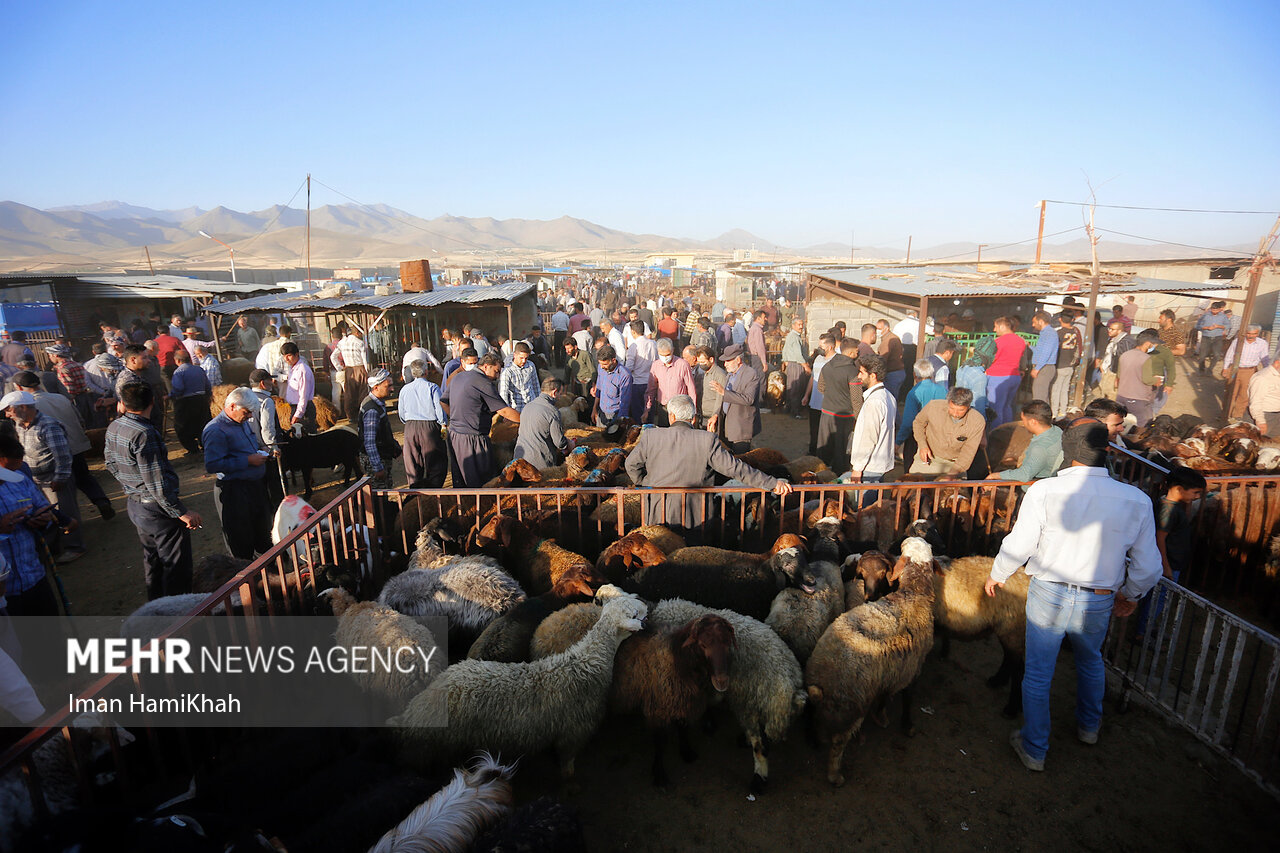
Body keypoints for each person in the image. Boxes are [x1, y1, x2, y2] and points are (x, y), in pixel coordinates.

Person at [985, 420, 1161, 771]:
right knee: (1090, 660)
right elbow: (1149, 566)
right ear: (1106, 452)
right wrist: (1131, 593)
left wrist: (998, 573)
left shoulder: (1044, 491)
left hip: (1049, 592)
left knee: (1037, 673)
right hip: (1098, 598)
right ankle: (1089, 728)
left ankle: (1035, 748)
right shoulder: (1136, 499)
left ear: (1067, 450)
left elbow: (1020, 544)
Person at [626, 394, 791, 535]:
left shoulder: (651, 436)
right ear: (693, 418)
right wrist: (772, 483)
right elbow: (736, 469)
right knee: (693, 559)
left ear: (671, 417)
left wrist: (646, 483)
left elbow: (631, 465)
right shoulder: (706, 440)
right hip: (695, 515)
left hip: (656, 510)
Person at [104, 384, 202, 600]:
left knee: (153, 562)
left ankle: (156, 608)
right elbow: (157, 482)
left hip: (137, 505)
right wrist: (180, 512)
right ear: (153, 402)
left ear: (124, 404)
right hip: (157, 510)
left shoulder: (115, 426)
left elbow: (110, 463)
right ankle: (178, 615)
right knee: (176, 567)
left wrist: (132, 484)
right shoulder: (145, 434)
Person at [13, 371, 114, 521]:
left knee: (63, 490)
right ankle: (101, 501)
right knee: (83, 477)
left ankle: (69, 524)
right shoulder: (60, 398)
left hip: (51, 455)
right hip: (76, 446)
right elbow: (80, 419)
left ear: (18, 388)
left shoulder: (26, 407)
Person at [3, 389, 85, 563]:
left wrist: (60, 478)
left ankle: (74, 547)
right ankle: (54, 546)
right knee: (45, 512)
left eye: (9, 410)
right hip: (36, 479)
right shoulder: (20, 425)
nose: (7, 415)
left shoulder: (48, 425)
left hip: (54, 478)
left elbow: (63, 455)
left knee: (65, 511)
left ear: (23, 407)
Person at [202, 387, 273, 560]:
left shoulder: (240, 423)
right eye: (247, 412)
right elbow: (212, 464)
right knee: (241, 540)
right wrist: (248, 461)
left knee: (263, 535)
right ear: (232, 406)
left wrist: (260, 448)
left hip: (254, 487)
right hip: (234, 490)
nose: (250, 416)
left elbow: (247, 445)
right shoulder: (215, 430)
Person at [1136, 467, 1206, 640]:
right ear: (1180, 489)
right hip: (1168, 563)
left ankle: (1145, 627)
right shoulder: (1168, 510)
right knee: (1157, 599)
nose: (1197, 497)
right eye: (1195, 493)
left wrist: (1187, 503)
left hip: (1170, 561)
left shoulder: (1170, 505)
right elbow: (1160, 538)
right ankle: (1142, 633)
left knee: (1155, 597)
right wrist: (1165, 566)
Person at [0, 435, 62, 616]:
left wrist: (43, 519)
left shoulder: (18, 477)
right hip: (5, 591)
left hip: (34, 575)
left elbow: (42, 506)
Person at [441, 353, 520, 487]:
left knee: (460, 482)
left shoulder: (458, 377)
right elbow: (503, 411)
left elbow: (443, 402)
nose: (497, 376)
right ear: (486, 366)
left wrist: (456, 418)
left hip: (454, 436)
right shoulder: (482, 382)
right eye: (496, 371)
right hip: (473, 439)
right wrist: (525, 419)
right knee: (482, 483)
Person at [908, 386, 985, 477]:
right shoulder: (933, 406)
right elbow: (918, 423)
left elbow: (969, 451)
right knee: (913, 485)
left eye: (960, 410)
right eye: (952, 408)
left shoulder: (977, 421)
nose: (955, 414)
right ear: (948, 402)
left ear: (968, 406)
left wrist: (952, 474)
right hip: (928, 458)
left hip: (955, 464)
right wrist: (922, 445)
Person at [985, 400, 1063, 488]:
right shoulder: (1057, 431)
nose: (1023, 425)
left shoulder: (1040, 447)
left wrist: (996, 476)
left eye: (1024, 420)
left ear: (1033, 422)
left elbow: (1025, 474)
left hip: (1035, 491)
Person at [847, 355, 896, 495]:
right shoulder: (888, 396)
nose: (858, 376)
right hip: (878, 464)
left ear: (873, 375)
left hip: (869, 467)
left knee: (865, 511)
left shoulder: (874, 402)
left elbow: (868, 438)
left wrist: (857, 468)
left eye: (862, 372)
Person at [399, 359, 448, 489]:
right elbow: (439, 409)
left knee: (413, 462)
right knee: (435, 461)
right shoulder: (432, 387)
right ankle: (434, 491)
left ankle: (415, 492)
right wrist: (443, 424)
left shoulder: (405, 389)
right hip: (430, 427)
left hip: (410, 427)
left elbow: (401, 414)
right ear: (426, 371)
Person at [816, 338, 861, 471]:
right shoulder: (852, 372)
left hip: (826, 413)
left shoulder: (827, 366)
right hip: (845, 417)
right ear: (852, 353)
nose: (858, 354)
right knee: (841, 452)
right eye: (857, 351)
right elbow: (856, 399)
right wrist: (859, 419)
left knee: (824, 448)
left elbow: (821, 387)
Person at [708, 344, 762, 453]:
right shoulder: (730, 375)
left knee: (741, 461)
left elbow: (748, 399)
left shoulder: (750, 374)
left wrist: (724, 392)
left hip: (742, 427)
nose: (725, 364)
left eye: (728, 361)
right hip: (728, 425)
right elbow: (724, 400)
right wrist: (716, 415)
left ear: (738, 360)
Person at [514, 377, 575, 470]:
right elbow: (559, 443)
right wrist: (569, 443)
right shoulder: (552, 411)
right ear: (554, 392)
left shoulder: (528, 406)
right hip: (539, 464)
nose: (560, 397)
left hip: (519, 460)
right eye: (560, 394)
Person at [247, 369, 285, 508]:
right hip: (265, 449)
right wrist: (272, 446)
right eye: (270, 380)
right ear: (263, 383)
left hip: (251, 447)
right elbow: (267, 427)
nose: (272, 382)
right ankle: (278, 511)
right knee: (274, 484)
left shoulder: (246, 397)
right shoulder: (266, 400)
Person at [897, 359, 948, 457]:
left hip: (917, 437)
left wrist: (898, 442)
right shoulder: (943, 390)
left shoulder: (914, 393)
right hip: (938, 435)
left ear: (914, 375)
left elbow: (908, 423)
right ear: (932, 374)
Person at [359, 370, 402, 487]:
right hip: (377, 459)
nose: (392, 389)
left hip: (381, 456)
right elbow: (370, 443)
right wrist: (377, 467)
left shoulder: (376, 403)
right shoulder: (372, 410)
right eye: (388, 386)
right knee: (380, 495)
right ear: (376, 387)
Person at [986, 317, 1027, 430]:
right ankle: (1007, 431)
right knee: (1006, 406)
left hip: (998, 377)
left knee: (995, 408)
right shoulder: (1020, 341)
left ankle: (995, 434)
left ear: (1002, 326)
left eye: (996, 326)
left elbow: (991, 358)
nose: (994, 330)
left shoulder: (998, 342)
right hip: (1014, 376)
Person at [645, 338, 698, 427]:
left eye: (668, 354)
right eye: (662, 355)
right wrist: (647, 409)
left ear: (673, 350)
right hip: (663, 408)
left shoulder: (683, 365)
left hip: (680, 409)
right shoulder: (656, 365)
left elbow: (691, 389)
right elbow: (651, 389)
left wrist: (694, 412)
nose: (665, 358)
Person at [1222, 324, 1270, 420]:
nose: (1251, 336)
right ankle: (1226, 414)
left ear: (1258, 334)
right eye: (1248, 333)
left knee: (1244, 394)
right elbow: (1229, 355)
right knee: (1231, 392)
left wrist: (1267, 371)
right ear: (1245, 333)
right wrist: (1225, 368)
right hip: (1235, 369)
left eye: (1254, 334)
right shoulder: (1238, 341)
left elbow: (1264, 358)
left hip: (1249, 371)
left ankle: (1237, 415)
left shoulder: (1262, 343)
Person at [1116, 330, 1159, 429]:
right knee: (1143, 426)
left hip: (1121, 396)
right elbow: (1147, 379)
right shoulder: (1146, 358)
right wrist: (1156, 380)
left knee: (1121, 425)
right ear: (1148, 343)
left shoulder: (1124, 355)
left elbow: (1119, 375)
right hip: (1138, 399)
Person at [803, 334, 836, 456]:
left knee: (826, 432)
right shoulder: (818, 359)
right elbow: (813, 378)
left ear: (830, 346)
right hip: (814, 402)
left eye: (821, 346)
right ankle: (812, 451)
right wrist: (807, 395)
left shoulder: (836, 361)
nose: (819, 348)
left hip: (827, 404)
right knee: (814, 430)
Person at [1048, 312, 1082, 419]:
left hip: (1060, 365)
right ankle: (1063, 411)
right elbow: (1079, 348)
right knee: (1065, 389)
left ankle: (1054, 412)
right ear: (1072, 319)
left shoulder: (1058, 333)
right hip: (1070, 365)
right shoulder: (1076, 332)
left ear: (1060, 319)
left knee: (1056, 390)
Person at [279, 342, 317, 433]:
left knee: (307, 438)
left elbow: (304, 395)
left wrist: (298, 414)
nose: (286, 359)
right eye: (284, 356)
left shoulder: (302, 370)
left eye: (289, 356)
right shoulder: (292, 369)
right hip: (295, 407)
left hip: (304, 409)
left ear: (297, 354)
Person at [1096, 318, 1137, 398]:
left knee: (1111, 396)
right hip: (1108, 372)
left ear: (1119, 331)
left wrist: (1119, 377)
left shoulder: (1125, 342)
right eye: (1109, 328)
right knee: (1104, 394)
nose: (1109, 331)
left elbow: (1124, 361)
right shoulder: (1114, 340)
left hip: (1115, 374)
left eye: (1112, 329)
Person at [592, 345, 632, 428]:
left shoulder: (624, 375)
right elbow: (599, 390)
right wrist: (594, 409)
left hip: (615, 415)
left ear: (613, 360)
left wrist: (619, 423)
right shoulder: (601, 368)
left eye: (605, 364)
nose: (602, 367)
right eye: (600, 364)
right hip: (602, 413)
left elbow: (624, 403)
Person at [338, 327, 371, 424]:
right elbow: (365, 360)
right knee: (363, 392)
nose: (361, 335)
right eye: (360, 333)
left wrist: (339, 367)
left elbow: (333, 356)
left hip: (349, 369)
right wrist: (367, 371)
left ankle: (351, 416)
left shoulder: (342, 343)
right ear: (357, 333)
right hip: (360, 368)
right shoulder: (360, 343)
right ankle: (362, 413)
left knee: (349, 394)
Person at [625, 323, 657, 421]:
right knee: (649, 411)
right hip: (651, 382)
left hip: (637, 383)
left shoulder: (634, 346)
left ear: (633, 332)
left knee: (638, 414)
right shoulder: (653, 343)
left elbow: (629, 367)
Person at [780, 317, 810, 418]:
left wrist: (785, 361)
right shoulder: (795, 337)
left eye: (801, 324)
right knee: (797, 388)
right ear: (793, 326)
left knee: (791, 387)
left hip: (792, 364)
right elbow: (798, 355)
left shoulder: (791, 336)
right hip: (797, 364)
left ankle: (789, 409)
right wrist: (805, 366)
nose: (801, 326)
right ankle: (795, 412)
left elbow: (784, 351)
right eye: (798, 324)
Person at [498, 342, 540, 413]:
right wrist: (507, 412)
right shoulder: (507, 371)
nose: (524, 361)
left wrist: (539, 403)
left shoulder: (531, 365)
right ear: (514, 355)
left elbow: (536, 385)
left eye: (526, 358)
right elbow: (503, 394)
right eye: (521, 358)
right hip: (517, 409)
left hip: (532, 405)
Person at [1028, 311, 1059, 404]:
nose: (1033, 325)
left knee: (1039, 397)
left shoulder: (1049, 334)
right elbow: (1040, 351)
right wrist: (1029, 346)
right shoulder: (1045, 333)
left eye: (1034, 322)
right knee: (1041, 395)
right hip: (1044, 366)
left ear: (1041, 321)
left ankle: (1041, 417)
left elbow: (1046, 353)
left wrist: (1037, 368)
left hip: (1045, 367)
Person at [1248, 359, 1280, 436]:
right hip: (1265, 416)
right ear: (1277, 363)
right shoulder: (1263, 378)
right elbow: (1256, 401)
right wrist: (1261, 421)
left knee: (1271, 444)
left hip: (1276, 416)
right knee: (1256, 442)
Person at [1195, 301, 1228, 374]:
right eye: (1212, 309)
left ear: (1220, 309)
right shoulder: (1205, 316)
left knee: (1217, 355)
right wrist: (1207, 328)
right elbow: (1197, 326)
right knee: (1202, 355)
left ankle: (1210, 369)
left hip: (1217, 338)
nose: (1214, 311)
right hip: (1206, 337)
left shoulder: (1223, 317)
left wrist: (1219, 326)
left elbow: (1228, 325)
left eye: (1216, 310)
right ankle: (1201, 369)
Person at [876, 318, 906, 398]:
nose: (877, 331)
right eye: (877, 329)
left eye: (880, 329)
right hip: (897, 372)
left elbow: (883, 359)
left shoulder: (889, 341)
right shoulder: (890, 338)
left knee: (890, 399)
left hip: (893, 373)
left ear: (887, 328)